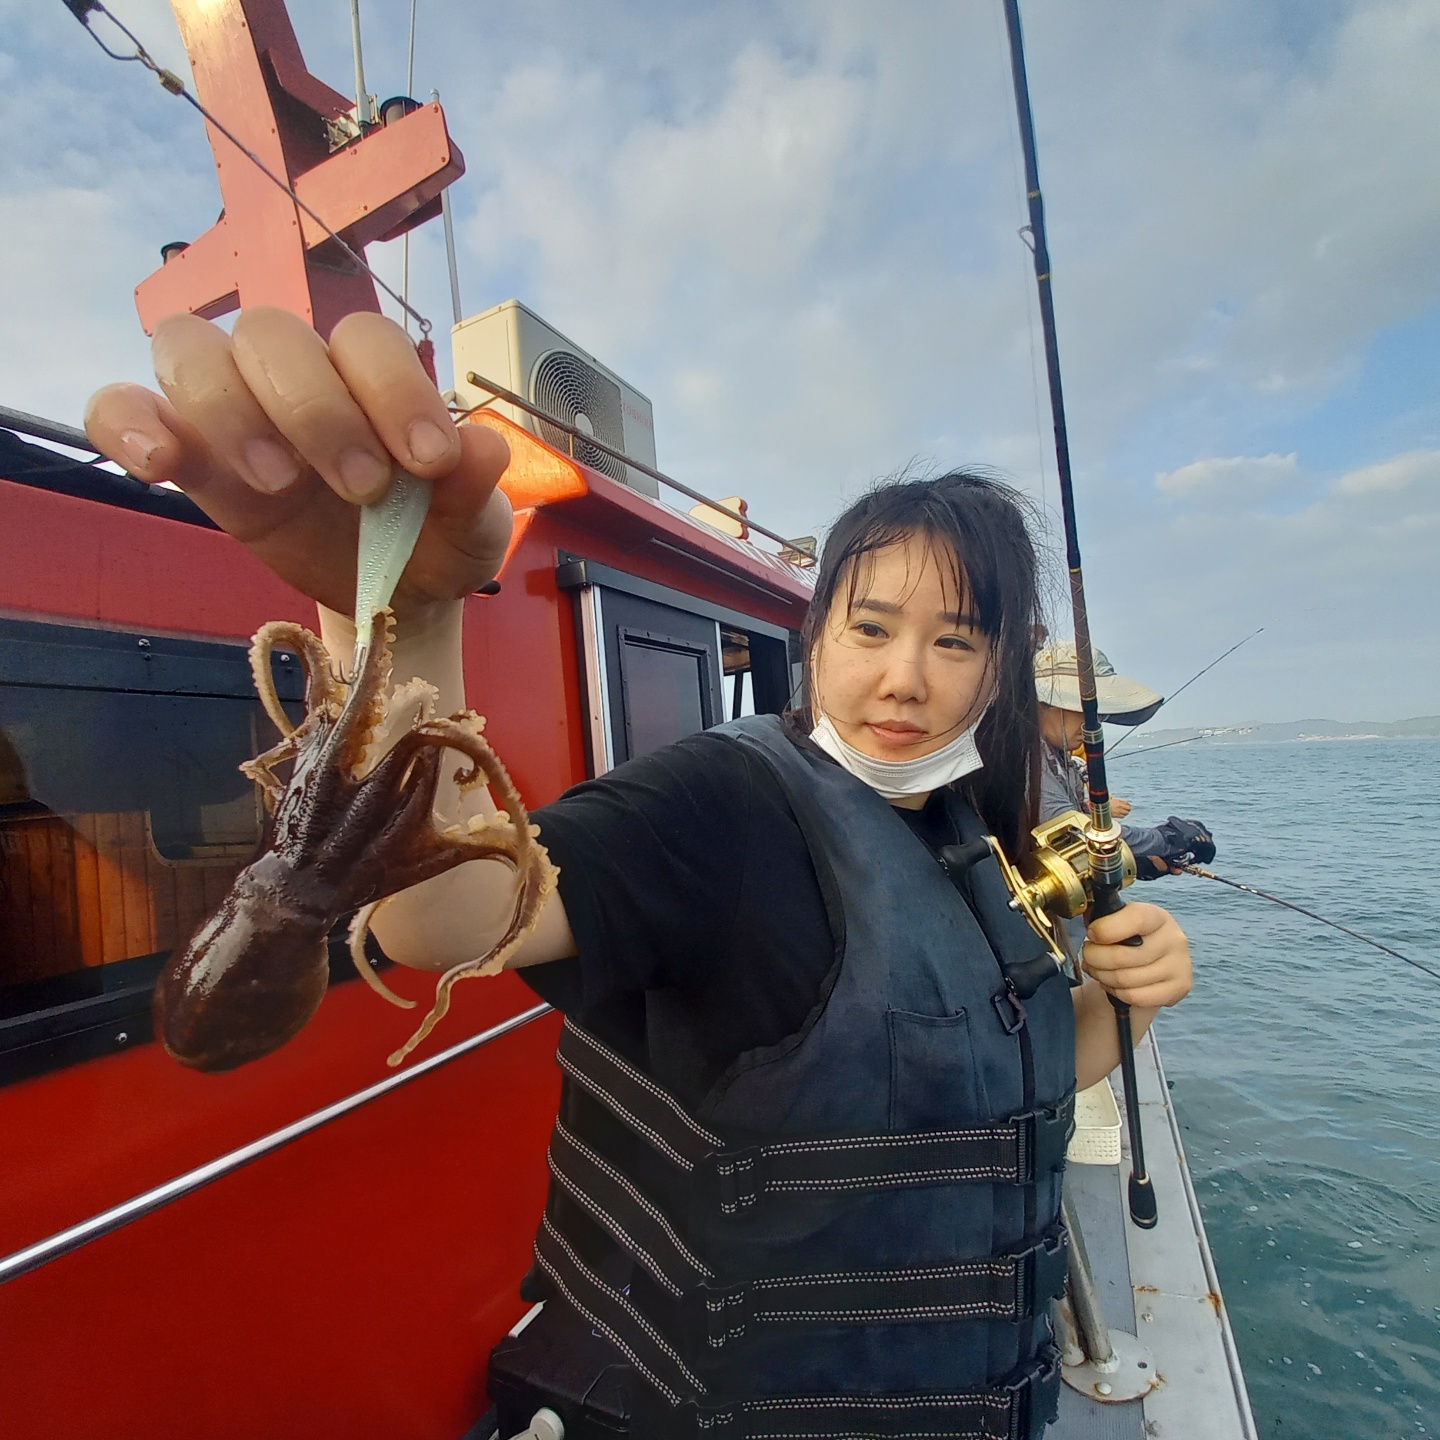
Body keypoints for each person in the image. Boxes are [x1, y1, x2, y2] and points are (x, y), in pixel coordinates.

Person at [87, 307, 1195, 1440]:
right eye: (870, 629)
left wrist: (1124, 1001)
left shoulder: (969, 822)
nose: (905, 677)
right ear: (816, 638)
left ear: (1000, 670)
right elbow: (454, 917)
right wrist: (400, 623)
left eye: (955, 641)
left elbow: (1015, 1090)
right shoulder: (724, 803)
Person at [1035, 643, 1216, 885]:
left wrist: (1138, 860)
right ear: (1045, 704)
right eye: (1086, 710)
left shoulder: (1057, 756)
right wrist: (1166, 839)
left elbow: (1074, 841)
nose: (1096, 722)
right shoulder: (1024, 754)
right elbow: (1070, 828)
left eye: (1099, 713)